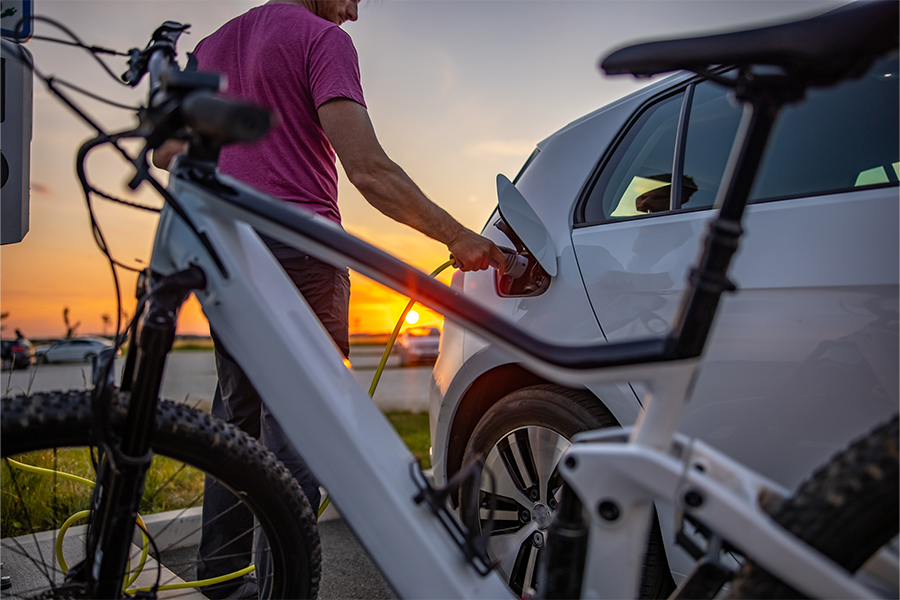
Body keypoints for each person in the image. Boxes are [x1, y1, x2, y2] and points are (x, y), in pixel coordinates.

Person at [153, 1, 505, 598]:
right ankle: (280, 590)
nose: (355, 12)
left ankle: (222, 577)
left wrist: (236, 171)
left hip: (224, 250)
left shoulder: (210, 46)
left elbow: (164, 153)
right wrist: (457, 236)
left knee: (237, 418)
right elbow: (368, 170)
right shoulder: (322, 40)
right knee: (299, 430)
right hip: (300, 252)